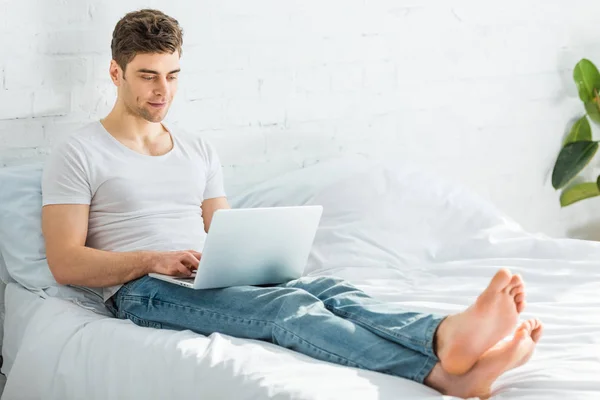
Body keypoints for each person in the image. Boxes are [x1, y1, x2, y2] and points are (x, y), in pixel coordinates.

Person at [40, 9, 543, 399]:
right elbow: (66, 263)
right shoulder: (79, 151)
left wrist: (254, 257)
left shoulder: (196, 148)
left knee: (331, 290)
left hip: (205, 274)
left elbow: (224, 229)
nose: (162, 90)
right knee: (287, 310)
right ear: (115, 72)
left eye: (172, 75)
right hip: (144, 290)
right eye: (148, 75)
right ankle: (439, 375)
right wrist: (154, 259)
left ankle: (444, 334)